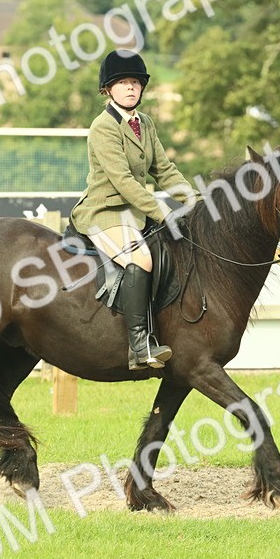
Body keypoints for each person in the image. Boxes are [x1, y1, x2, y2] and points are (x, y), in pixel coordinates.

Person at [69, 50, 199, 370]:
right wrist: (163, 213)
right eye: (123, 82)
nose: (130, 88)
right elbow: (123, 181)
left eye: (135, 82)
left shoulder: (145, 123)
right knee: (140, 257)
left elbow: (164, 170)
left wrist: (197, 203)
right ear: (108, 89)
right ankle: (139, 347)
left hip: (135, 213)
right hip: (105, 212)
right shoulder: (103, 127)